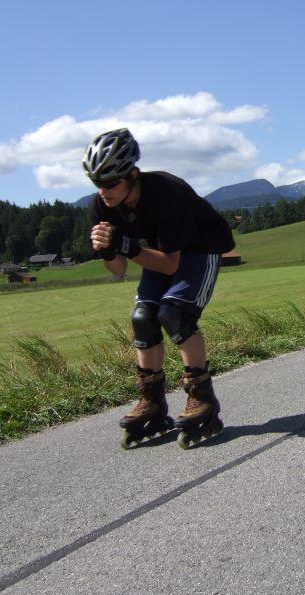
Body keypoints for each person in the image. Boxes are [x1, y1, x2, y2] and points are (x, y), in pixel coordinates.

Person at [84, 128, 235, 449]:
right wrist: (108, 251)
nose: (103, 191)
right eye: (97, 183)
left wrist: (123, 243)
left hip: (201, 247)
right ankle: (151, 400)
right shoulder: (102, 207)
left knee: (174, 313)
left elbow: (169, 264)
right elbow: (119, 271)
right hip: (160, 251)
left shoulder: (166, 191)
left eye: (111, 183)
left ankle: (202, 398)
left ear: (133, 174)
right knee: (143, 317)